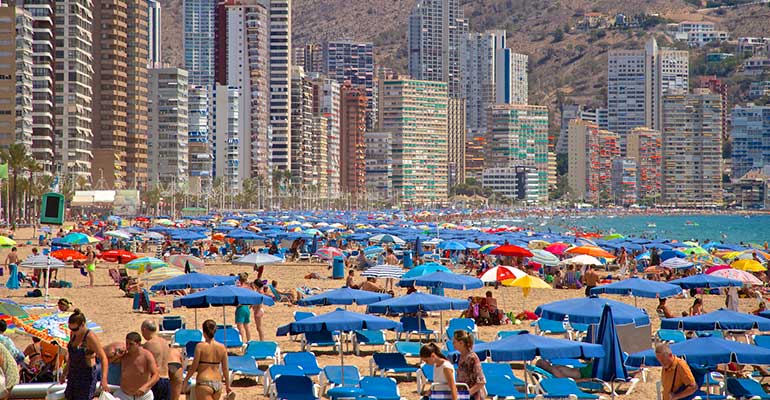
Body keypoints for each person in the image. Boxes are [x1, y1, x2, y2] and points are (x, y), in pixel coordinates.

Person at [62, 309, 110, 400]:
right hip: (73, 373)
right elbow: (72, 356)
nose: (73, 331)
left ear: (83, 324)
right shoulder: (73, 334)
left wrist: (104, 379)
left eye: (75, 329)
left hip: (86, 376)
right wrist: (64, 373)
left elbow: (103, 358)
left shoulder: (90, 337)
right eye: (70, 328)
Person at [183, 320, 232, 400]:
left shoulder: (200, 346)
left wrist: (186, 380)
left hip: (204, 382)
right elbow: (225, 369)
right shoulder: (222, 347)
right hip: (218, 383)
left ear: (203, 332)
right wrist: (227, 385)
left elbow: (194, 367)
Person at [116, 332, 159, 400]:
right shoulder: (124, 355)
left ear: (138, 344)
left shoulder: (147, 356)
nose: (128, 346)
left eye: (131, 344)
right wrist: (116, 355)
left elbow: (156, 375)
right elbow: (108, 362)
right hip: (124, 394)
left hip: (143, 395)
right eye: (126, 344)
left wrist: (145, 387)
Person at [141, 320, 171, 400]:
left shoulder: (149, 344)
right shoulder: (165, 342)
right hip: (166, 379)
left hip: (156, 380)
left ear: (144, 330)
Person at [453, 331, 486, 400]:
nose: (453, 344)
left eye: (454, 342)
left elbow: (481, 381)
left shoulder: (472, 358)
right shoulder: (461, 356)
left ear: (461, 343)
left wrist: (467, 394)